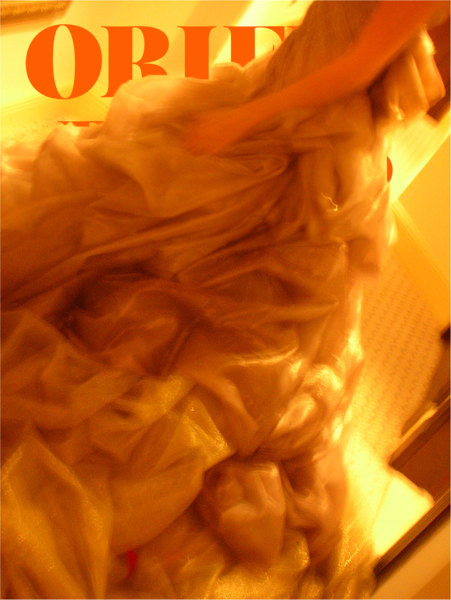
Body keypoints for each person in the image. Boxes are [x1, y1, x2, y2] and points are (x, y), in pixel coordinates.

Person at [1, 1, 446, 599]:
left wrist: (242, 119)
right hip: (284, 88)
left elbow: (355, 68)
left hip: (306, 133)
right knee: (140, 200)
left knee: (223, 285)